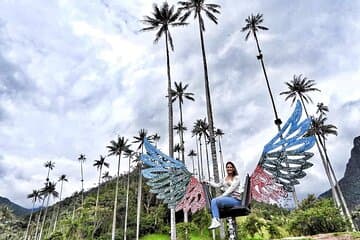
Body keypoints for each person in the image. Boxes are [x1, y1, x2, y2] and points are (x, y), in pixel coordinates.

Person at [204, 161, 242, 229]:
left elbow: (232, 188)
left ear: (233, 168)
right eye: (227, 167)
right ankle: (215, 220)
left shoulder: (237, 178)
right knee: (214, 201)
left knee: (215, 200)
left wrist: (222, 196)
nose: (229, 168)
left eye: (230, 167)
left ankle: (216, 220)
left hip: (235, 200)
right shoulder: (225, 178)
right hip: (227, 200)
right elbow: (218, 185)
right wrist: (208, 182)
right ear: (226, 168)